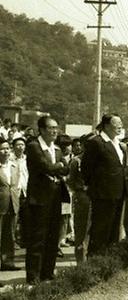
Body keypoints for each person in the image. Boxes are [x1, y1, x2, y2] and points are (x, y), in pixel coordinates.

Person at [25, 117, 70, 284]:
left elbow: (65, 169)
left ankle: (48, 272)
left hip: (56, 197)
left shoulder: (56, 149)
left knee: (53, 237)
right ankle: (33, 275)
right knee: (38, 237)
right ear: (42, 129)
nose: (54, 131)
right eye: (51, 128)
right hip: (39, 198)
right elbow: (45, 167)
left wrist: (58, 167)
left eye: (56, 128)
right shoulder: (34, 146)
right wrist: (57, 167)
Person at [82, 114, 128, 256]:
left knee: (113, 233)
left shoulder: (118, 144)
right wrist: (96, 188)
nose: (120, 126)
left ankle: (109, 264)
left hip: (118, 193)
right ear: (107, 126)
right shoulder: (96, 142)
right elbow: (86, 169)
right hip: (103, 195)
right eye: (117, 123)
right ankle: (95, 263)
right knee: (100, 232)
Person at [66, 134, 93, 263]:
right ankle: (81, 263)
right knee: (81, 231)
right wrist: (79, 191)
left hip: (97, 197)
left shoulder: (98, 160)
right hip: (82, 196)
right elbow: (70, 181)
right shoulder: (77, 161)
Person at [0, 139, 15, 277]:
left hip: (12, 204)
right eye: (2, 149)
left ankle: (7, 262)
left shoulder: (13, 166)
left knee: (9, 234)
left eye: (7, 149)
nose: (6, 151)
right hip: (0, 205)